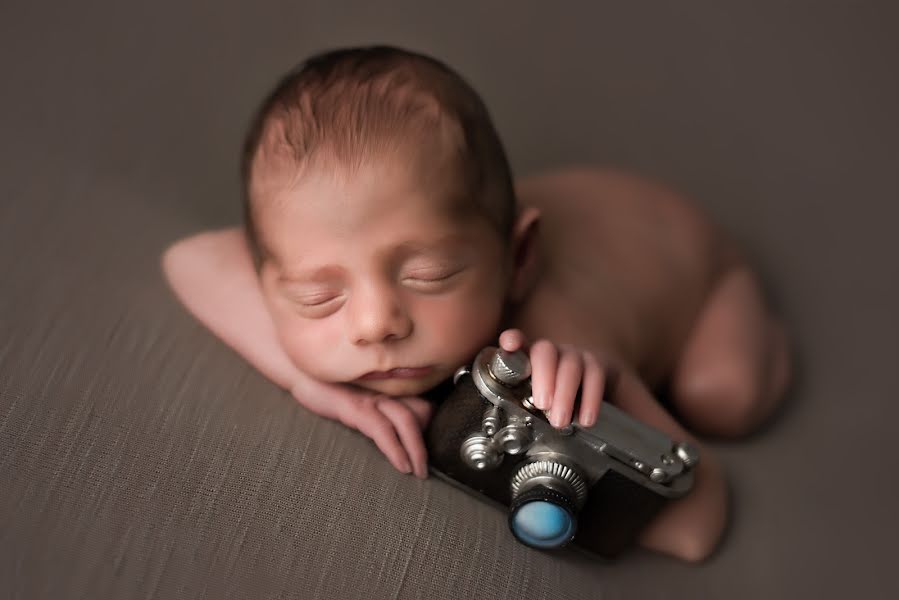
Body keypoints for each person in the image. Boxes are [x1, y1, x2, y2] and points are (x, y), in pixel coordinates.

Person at [161, 46, 791, 562]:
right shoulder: (329, 237)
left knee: (723, 398)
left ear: (518, 261)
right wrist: (310, 381)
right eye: (318, 296)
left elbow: (697, 524)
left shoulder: (555, 350)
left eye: (430, 274)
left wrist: (617, 385)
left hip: (687, 257)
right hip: (571, 212)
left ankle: (754, 308)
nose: (377, 322)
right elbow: (188, 260)